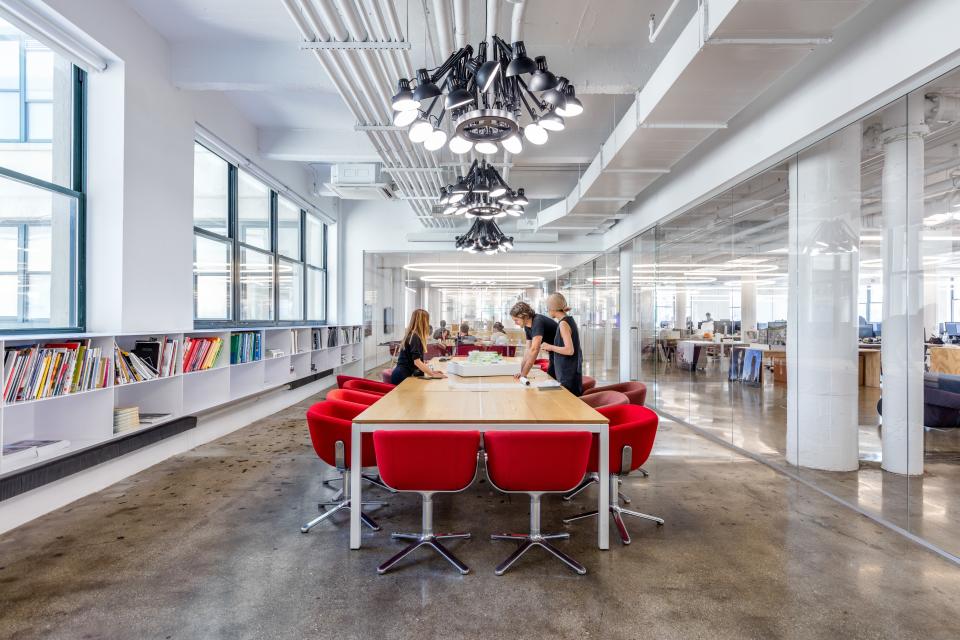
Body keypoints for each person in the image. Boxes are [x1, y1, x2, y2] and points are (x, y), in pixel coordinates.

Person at [538, 293, 583, 395]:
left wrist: (550, 347)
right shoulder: (568, 320)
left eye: (547, 308)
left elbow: (569, 350)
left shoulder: (563, 324)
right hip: (569, 370)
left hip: (568, 373)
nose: (547, 310)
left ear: (552, 309)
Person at [391, 308, 446, 385]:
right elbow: (417, 362)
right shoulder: (414, 336)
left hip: (403, 373)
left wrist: (432, 372)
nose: (427, 324)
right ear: (422, 322)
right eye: (427, 321)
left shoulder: (414, 335)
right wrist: (433, 374)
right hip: (402, 376)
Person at [510, 300, 558, 381]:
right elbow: (528, 350)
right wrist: (521, 372)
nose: (515, 323)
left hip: (565, 355)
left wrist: (524, 374)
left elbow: (534, 349)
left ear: (524, 317)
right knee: (552, 379)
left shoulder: (537, 321)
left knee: (558, 383)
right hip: (555, 355)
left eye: (516, 320)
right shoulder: (527, 325)